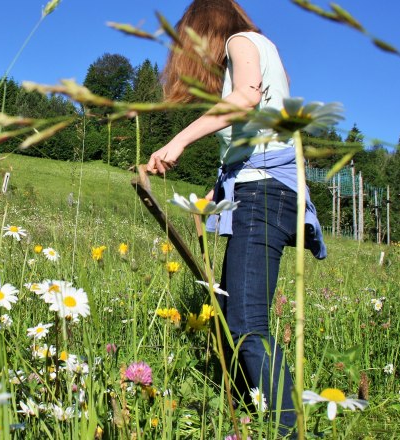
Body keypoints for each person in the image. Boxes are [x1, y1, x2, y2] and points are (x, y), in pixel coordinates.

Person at [145, 0, 327, 436]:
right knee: (231, 316)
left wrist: (179, 142)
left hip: (266, 196)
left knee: (246, 322)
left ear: (207, 28)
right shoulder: (249, 53)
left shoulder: (243, 40)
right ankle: (250, 418)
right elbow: (251, 146)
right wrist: (214, 197)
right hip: (258, 192)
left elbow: (245, 99)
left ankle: (289, 429)